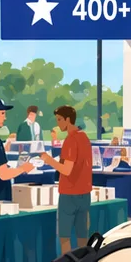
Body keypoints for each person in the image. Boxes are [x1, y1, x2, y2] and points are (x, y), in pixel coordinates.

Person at [35, 105, 93, 253]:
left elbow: (67, 170)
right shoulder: (84, 138)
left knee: (64, 237)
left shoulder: (70, 140)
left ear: (68, 120)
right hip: (85, 193)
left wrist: (48, 160)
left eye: (60, 120)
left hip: (69, 194)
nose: (58, 123)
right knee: (82, 236)